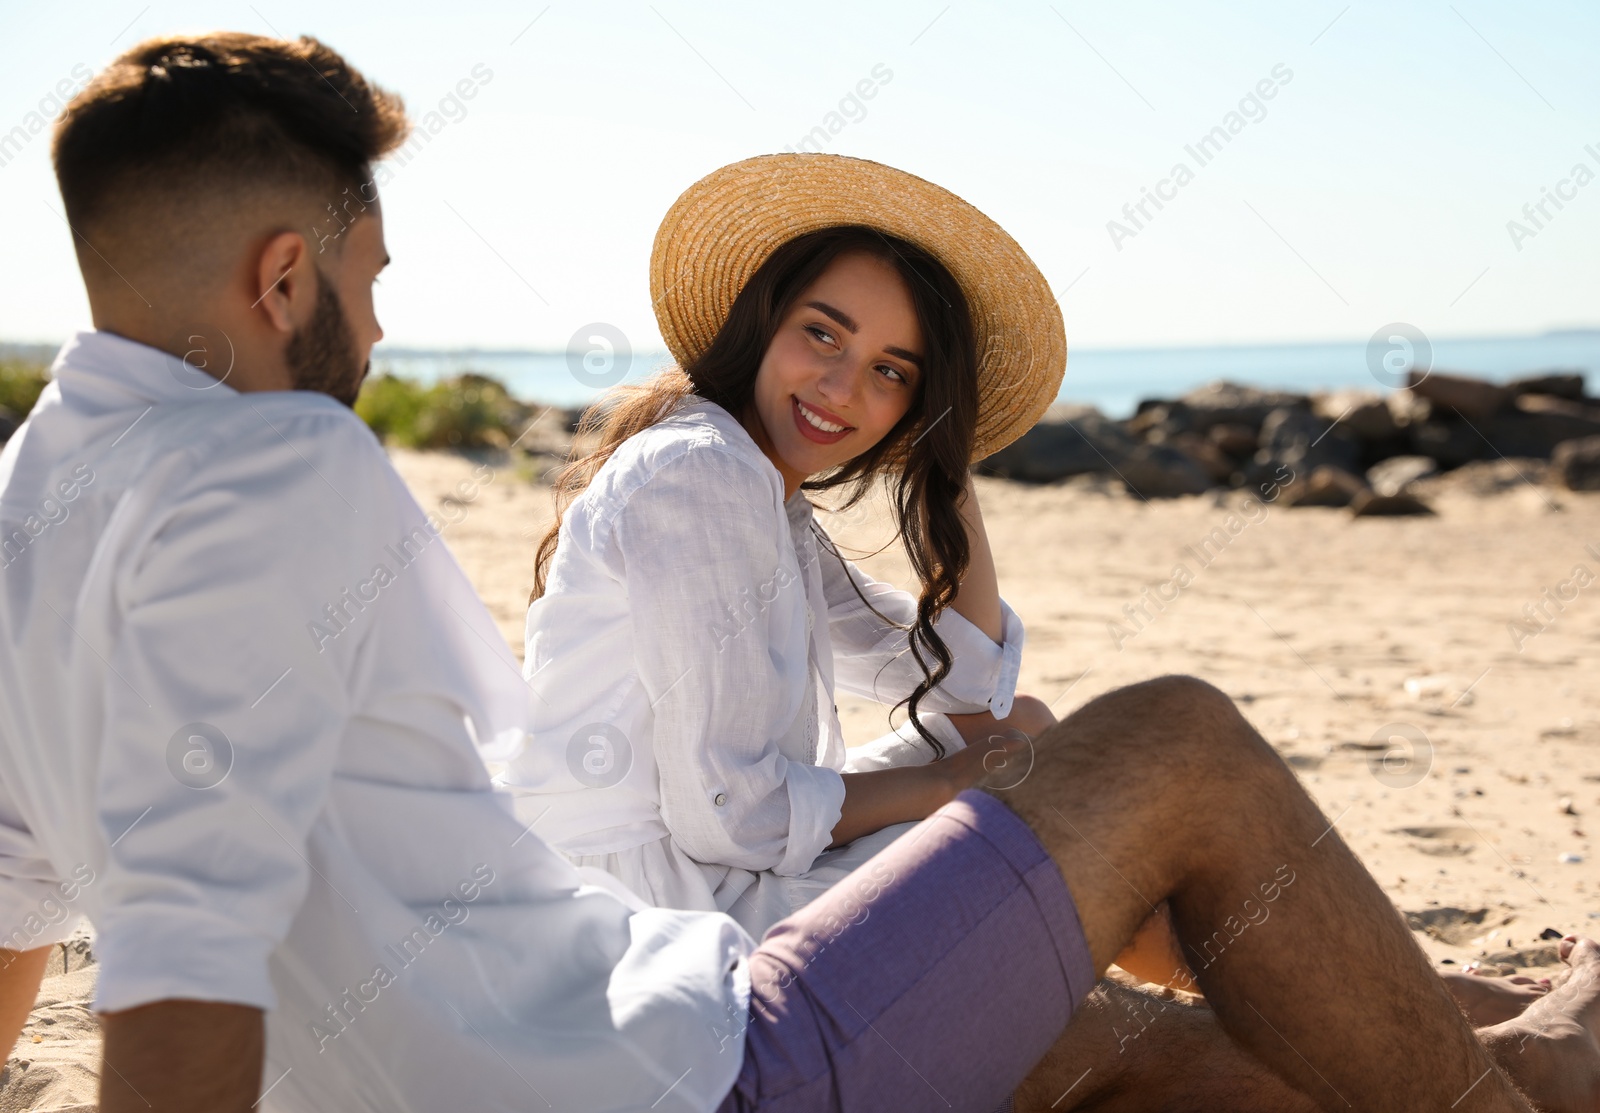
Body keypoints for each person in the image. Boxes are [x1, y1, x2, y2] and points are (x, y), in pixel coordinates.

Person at [1, 31, 1597, 1113]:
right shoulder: (282, 468)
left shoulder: (33, 503)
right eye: (367, 275)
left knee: (1185, 1067)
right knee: (1172, 738)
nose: (382, 321)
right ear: (284, 276)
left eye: (896, 371)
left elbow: (19, 913)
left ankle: (1530, 1042)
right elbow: (187, 952)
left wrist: (946, 475)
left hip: (657, 996)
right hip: (694, 1064)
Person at [502, 157, 1063, 938]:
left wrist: (948, 457)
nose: (841, 387)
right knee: (1024, 809)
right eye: (823, 332)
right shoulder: (702, 475)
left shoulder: (768, 497)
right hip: (649, 902)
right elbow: (733, 816)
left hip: (705, 861)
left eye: (890, 372)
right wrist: (941, 786)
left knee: (1022, 733)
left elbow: (965, 686)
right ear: (766, 319)